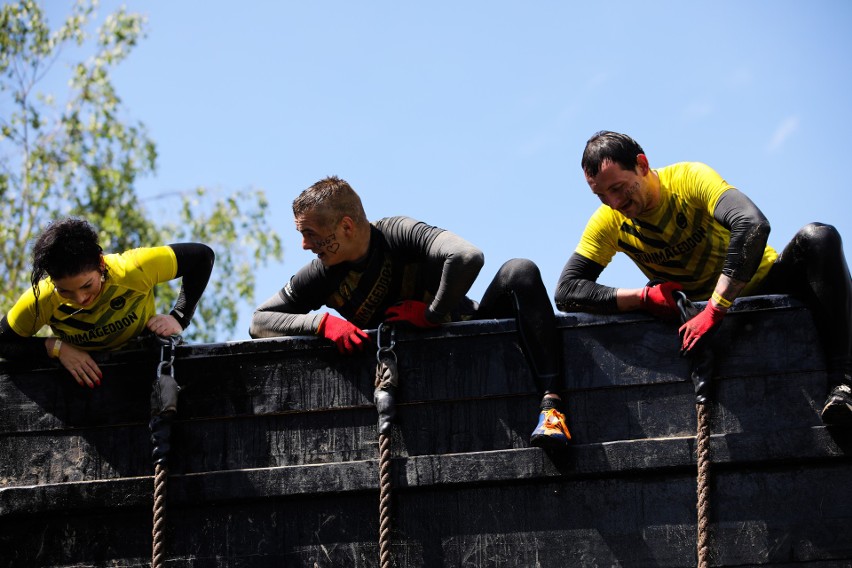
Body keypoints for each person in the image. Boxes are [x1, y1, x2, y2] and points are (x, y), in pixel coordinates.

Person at [555, 130, 852, 426]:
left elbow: (752, 225)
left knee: (819, 238)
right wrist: (644, 298)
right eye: (601, 196)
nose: (614, 203)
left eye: (618, 188)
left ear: (642, 165)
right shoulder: (609, 222)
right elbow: (567, 292)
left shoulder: (689, 179)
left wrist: (715, 308)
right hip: (700, 319)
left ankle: (845, 382)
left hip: (764, 286)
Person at [251, 176, 571, 449]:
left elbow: (467, 255)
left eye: (310, 233)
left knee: (521, 271)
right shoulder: (321, 274)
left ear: (346, 226)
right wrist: (321, 324)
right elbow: (259, 322)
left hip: (473, 343)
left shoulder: (397, 233)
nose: (305, 245)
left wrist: (432, 314)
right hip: (416, 384)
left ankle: (551, 408)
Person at [0, 217, 215, 389]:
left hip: (143, 364)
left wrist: (179, 316)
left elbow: (202, 257)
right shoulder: (42, 299)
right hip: (84, 384)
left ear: (101, 264)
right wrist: (55, 347)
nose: (80, 299)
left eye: (87, 286)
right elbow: (3, 342)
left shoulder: (133, 268)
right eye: (64, 290)